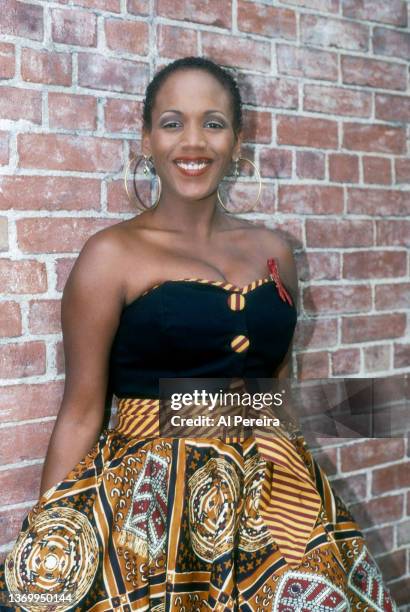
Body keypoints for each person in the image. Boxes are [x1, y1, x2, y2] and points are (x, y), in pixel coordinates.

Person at [0, 56, 398, 611]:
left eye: (213, 123)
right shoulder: (110, 256)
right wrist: (52, 548)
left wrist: (371, 410)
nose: (194, 142)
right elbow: (82, 412)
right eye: (172, 123)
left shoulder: (274, 250)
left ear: (237, 142)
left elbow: (275, 395)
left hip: (276, 494)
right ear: (146, 140)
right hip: (154, 511)